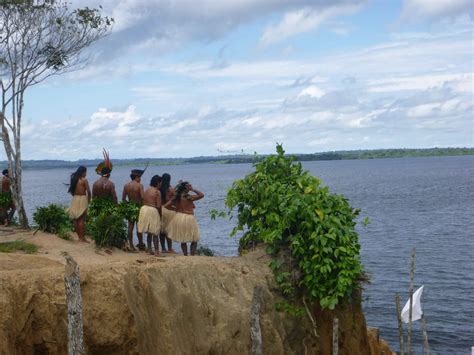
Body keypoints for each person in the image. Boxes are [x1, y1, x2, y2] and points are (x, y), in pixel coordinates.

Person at [165, 181, 204, 256]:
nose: (190, 186)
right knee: (194, 239)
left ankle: (185, 255)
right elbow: (201, 195)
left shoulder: (177, 197)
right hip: (189, 218)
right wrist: (193, 189)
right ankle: (192, 255)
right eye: (189, 185)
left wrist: (175, 209)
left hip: (179, 217)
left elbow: (166, 206)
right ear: (186, 188)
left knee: (183, 239)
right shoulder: (189, 197)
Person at [137, 175, 162, 256]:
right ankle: (157, 251)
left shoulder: (147, 189)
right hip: (152, 210)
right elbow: (159, 206)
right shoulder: (157, 192)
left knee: (149, 232)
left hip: (144, 209)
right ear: (158, 182)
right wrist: (160, 215)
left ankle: (150, 250)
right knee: (155, 232)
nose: (161, 184)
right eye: (160, 182)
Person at [122, 169, 146, 251]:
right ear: (137, 177)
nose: (141, 179)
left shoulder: (126, 185)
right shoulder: (140, 186)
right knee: (139, 226)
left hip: (130, 207)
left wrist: (128, 207)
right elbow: (143, 197)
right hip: (138, 207)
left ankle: (131, 244)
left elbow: (123, 199)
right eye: (140, 177)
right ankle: (140, 243)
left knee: (130, 226)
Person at [67, 166, 91, 243]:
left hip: (75, 198)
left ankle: (79, 237)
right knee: (81, 219)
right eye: (85, 172)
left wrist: (75, 197)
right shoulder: (84, 180)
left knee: (75, 219)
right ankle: (82, 238)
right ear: (82, 172)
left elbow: (72, 191)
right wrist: (89, 200)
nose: (86, 174)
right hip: (82, 198)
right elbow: (89, 192)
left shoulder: (74, 179)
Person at [159, 173, 177, 253]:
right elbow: (176, 197)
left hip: (160, 210)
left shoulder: (159, 189)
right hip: (169, 211)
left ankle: (163, 248)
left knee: (161, 231)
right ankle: (170, 248)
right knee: (168, 230)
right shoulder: (170, 189)